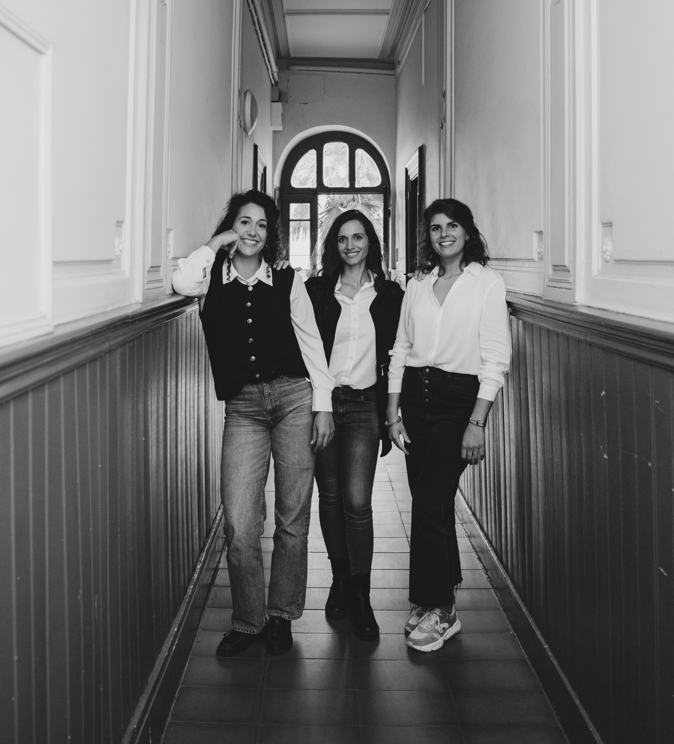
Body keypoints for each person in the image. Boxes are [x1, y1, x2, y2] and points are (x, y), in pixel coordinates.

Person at [171, 190, 334, 657]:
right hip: (243, 408)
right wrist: (216, 242)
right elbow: (181, 280)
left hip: (294, 398)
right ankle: (248, 620)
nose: (253, 232)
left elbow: (311, 342)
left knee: (292, 516)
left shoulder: (287, 279)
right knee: (241, 523)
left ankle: (280, 614)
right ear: (232, 226)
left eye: (262, 225)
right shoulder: (210, 278)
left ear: (271, 234)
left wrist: (323, 405)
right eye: (244, 222)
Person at [386, 198, 511, 653]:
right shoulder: (418, 283)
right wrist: (392, 413)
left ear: (467, 232)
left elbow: (495, 358)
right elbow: (401, 347)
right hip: (415, 398)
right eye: (436, 227)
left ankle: (440, 609)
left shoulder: (486, 283)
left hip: (459, 401)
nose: (444, 234)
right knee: (431, 504)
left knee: (429, 501)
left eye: (452, 225)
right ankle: (434, 599)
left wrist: (478, 421)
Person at [305, 210, 403, 640]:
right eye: (342, 238)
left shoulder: (390, 295)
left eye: (358, 237)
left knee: (357, 501)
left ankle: (362, 595)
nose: (350, 245)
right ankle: (340, 579)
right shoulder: (316, 291)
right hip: (323, 404)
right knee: (329, 495)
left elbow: (402, 352)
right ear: (334, 245)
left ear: (370, 243)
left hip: (365, 406)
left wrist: (393, 413)